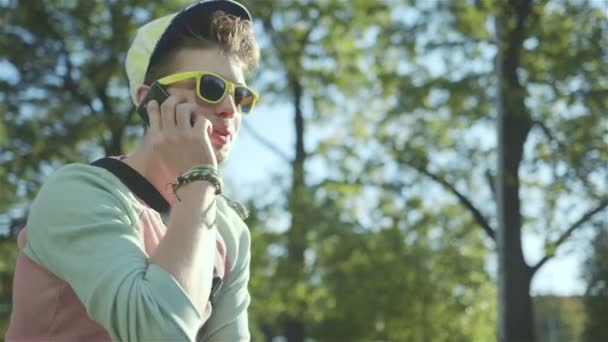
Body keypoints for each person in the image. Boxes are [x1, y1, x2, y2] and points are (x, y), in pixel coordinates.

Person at [6, 1, 259, 341]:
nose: (230, 109)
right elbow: (158, 332)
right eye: (210, 87)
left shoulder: (229, 229)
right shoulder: (78, 193)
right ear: (149, 101)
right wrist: (200, 178)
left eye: (240, 95)